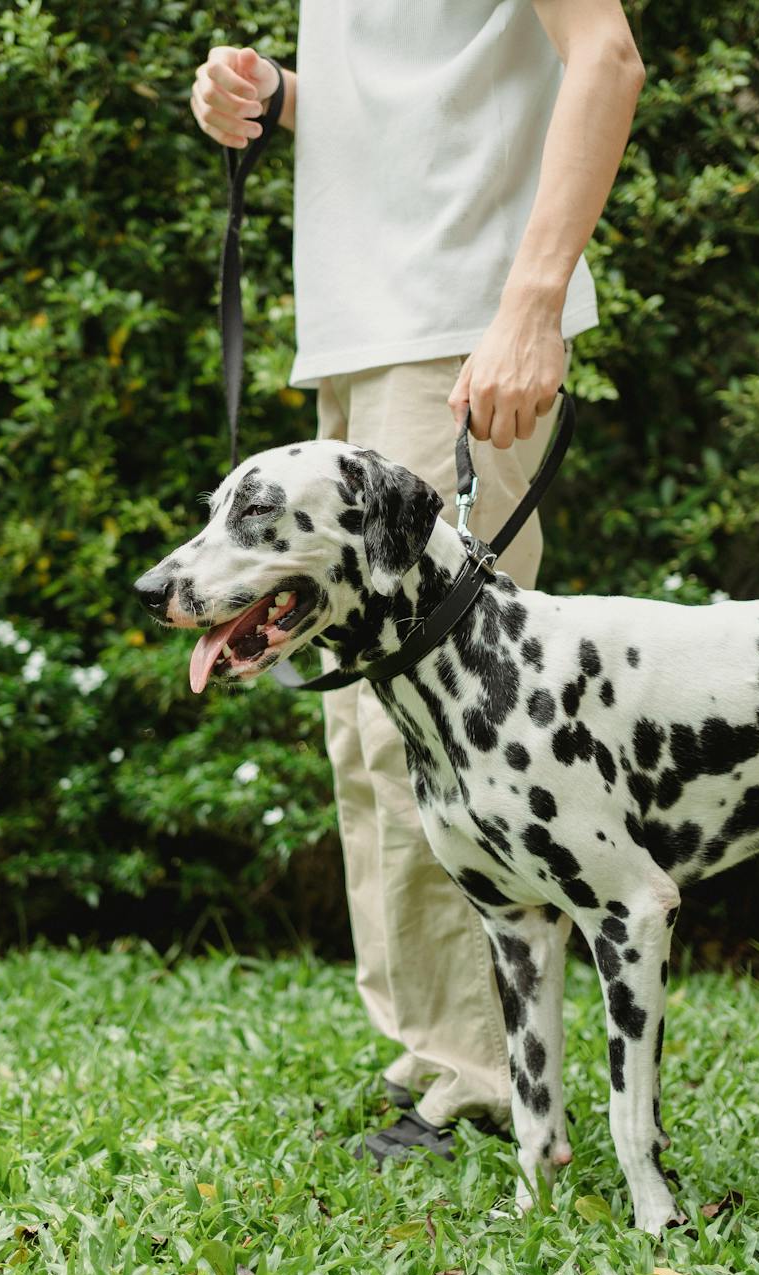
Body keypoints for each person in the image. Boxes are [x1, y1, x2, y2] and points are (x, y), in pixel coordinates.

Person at [190, 1, 644, 1160]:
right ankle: (433, 1054)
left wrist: (532, 305)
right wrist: (276, 100)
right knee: (368, 731)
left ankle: (481, 1080)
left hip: (460, 332)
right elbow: (425, 92)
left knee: (439, 736)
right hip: (364, 336)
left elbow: (606, 56)